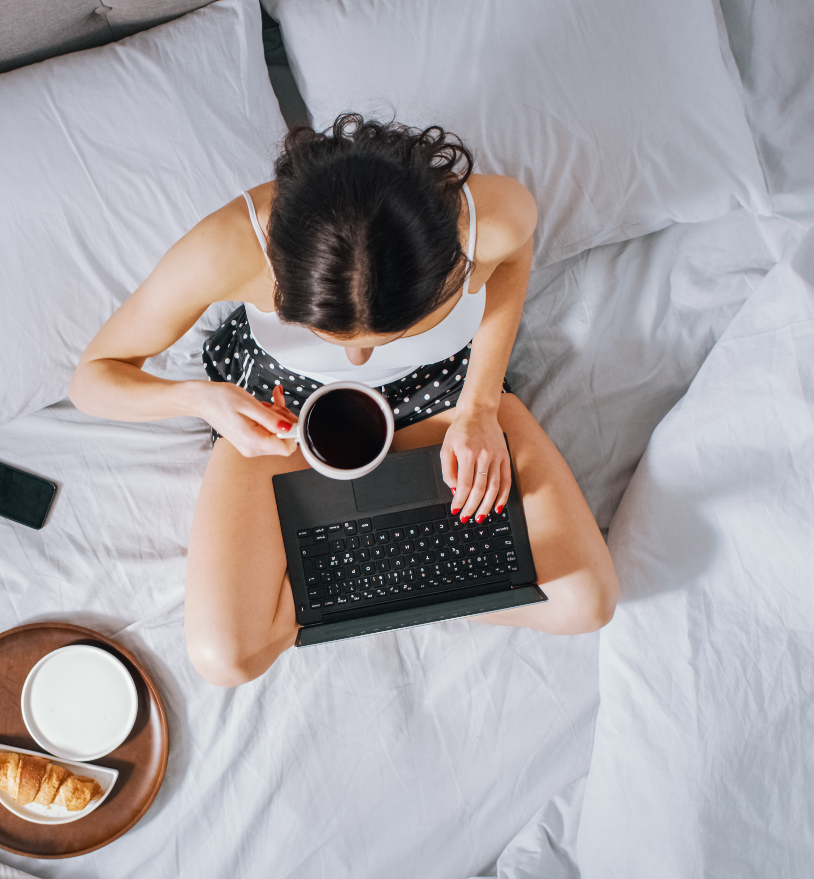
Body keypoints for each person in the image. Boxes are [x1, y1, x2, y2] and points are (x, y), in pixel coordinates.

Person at [70, 115, 618, 687]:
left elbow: (515, 259)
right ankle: (413, 587)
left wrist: (479, 407)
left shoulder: (492, 219)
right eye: (335, 338)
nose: (360, 360)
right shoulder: (227, 247)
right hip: (286, 405)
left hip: (446, 392)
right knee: (226, 657)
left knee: (586, 601)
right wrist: (202, 400)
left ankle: (359, 588)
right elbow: (92, 378)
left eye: (393, 336)